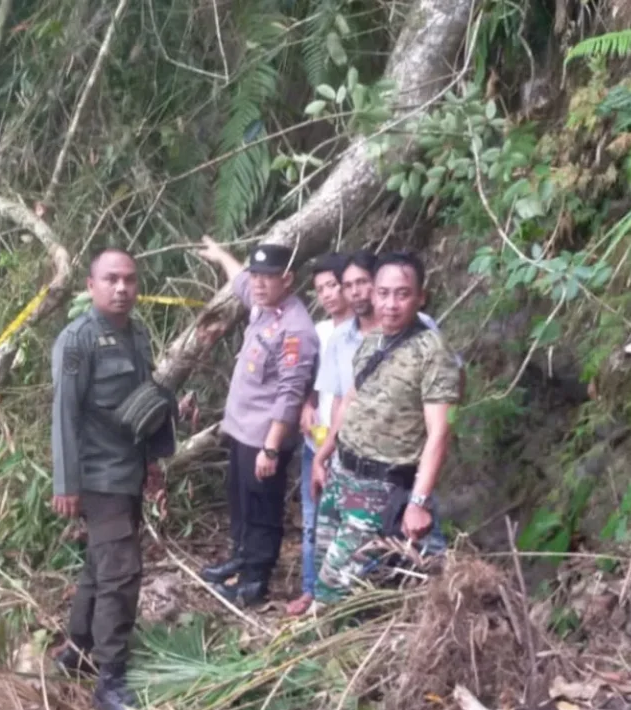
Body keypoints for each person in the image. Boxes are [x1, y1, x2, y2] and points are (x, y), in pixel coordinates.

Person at [49, 249, 176, 710]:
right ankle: (110, 680)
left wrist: (153, 465)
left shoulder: (136, 334)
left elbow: (142, 406)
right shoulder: (77, 340)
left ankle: (77, 651)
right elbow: (63, 414)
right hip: (98, 477)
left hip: (129, 470)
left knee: (101, 566)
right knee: (121, 574)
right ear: (90, 284)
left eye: (129, 280)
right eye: (111, 279)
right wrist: (67, 482)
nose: (121, 288)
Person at [310, 250, 462, 603]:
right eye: (383, 293)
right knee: (325, 575)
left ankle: (329, 646)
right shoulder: (372, 340)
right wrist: (324, 453)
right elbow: (351, 400)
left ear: (420, 297)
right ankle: (338, 644)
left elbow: (439, 431)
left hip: (381, 489)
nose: (390, 304)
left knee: (335, 591)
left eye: (402, 294)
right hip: (341, 475)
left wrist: (419, 501)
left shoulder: (433, 353)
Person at [195, 236, 318, 608]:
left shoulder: (296, 330)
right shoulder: (264, 307)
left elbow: (290, 395)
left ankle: (254, 580)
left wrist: (271, 446)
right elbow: (240, 281)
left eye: (269, 276)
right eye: (257, 275)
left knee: (262, 509)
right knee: (241, 500)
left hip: (265, 437)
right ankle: (240, 557)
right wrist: (221, 256)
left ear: (289, 280)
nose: (259, 283)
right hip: (242, 432)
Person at [286, 253, 352, 617]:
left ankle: (340, 595)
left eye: (333, 285)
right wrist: (306, 404)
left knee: (344, 521)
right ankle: (311, 589)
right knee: (312, 520)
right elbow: (312, 380)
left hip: (348, 445)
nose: (327, 295)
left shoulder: (363, 331)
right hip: (316, 441)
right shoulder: (320, 331)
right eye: (320, 289)